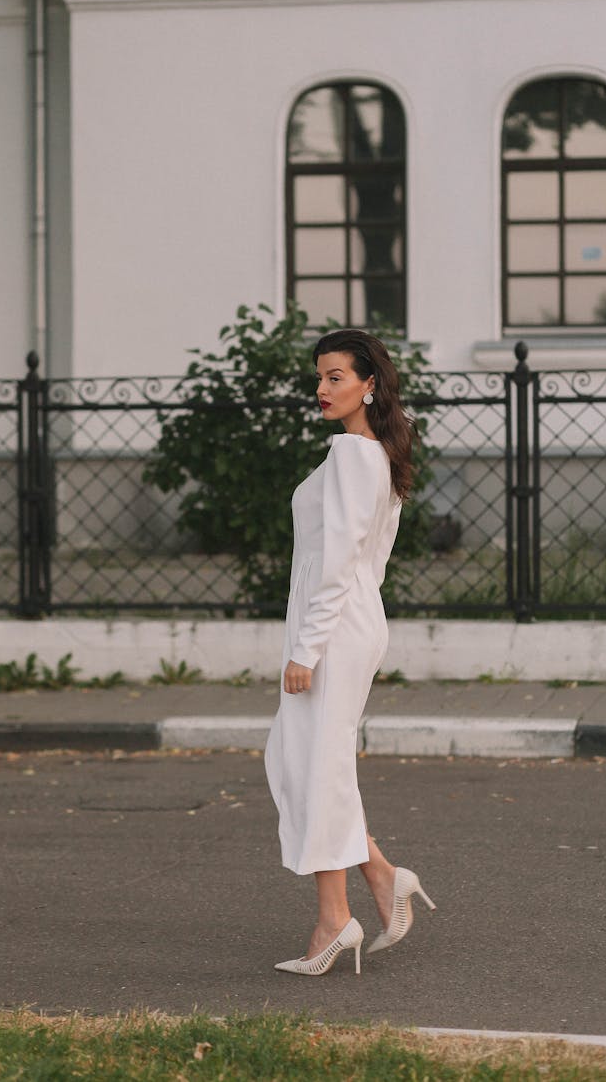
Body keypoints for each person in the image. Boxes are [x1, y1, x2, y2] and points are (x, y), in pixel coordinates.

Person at [264, 327, 435, 977]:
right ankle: (383, 878)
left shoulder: (354, 455)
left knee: (314, 767)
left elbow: (338, 563)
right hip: (346, 620)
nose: (323, 388)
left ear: (370, 382)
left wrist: (308, 646)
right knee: (310, 761)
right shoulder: (373, 454)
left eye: (336, 375)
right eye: (320, 376)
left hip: (331, 627)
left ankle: (336, 920)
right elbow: (369, 562)